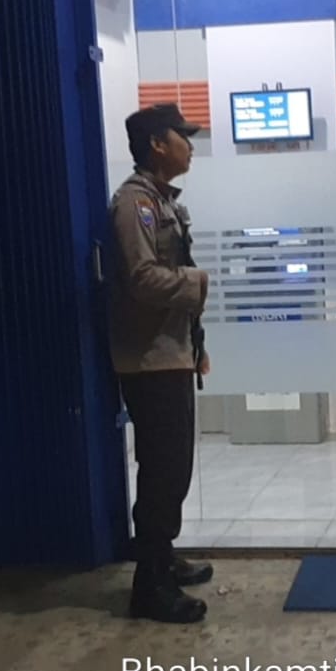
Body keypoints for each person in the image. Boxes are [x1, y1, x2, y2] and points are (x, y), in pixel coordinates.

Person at [109, 102, 215, 623]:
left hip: (171, 353)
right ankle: (149, 587)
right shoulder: (135, 204)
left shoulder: (162, 201)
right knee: (162, 472)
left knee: (174, 469)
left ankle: (163, 558)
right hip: (149, 359)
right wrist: (197, 284)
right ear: (156, 144)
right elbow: (142, 278)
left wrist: (196, 346)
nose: (189, 146)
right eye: (181, 136)